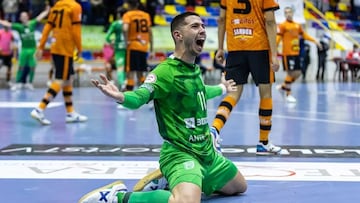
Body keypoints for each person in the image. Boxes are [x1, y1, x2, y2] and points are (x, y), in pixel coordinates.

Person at [78, 12, 247, 203]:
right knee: (186, 202)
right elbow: (140, 96)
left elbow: (198, 91)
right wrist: (121, 96)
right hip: (181, 153)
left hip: (207, 153)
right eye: (194, 26)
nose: (202, 30)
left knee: (239, 187)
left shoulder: (193, 68)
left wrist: (221, 88)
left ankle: (170, 182)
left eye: (202, 26)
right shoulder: (165, 71)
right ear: (178, 35)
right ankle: (117, 196)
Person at [210, 0, 281, 155]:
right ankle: (263, 142)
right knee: (266, 93)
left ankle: (214, 129)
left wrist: (220, 48)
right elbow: (270, 20)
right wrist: (274, 55)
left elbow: (221, 19)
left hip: (235, 48)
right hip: (259, 48)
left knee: (233, 93)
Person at [30, 0, 87, 125]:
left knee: (68, 79)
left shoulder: (56, 6)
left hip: (55, 46)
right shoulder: (75, 6)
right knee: (61, 79)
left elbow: (47, 27)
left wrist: (41, 47)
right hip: (65, 48)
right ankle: (40, 108)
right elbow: (76, 31)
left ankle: (70, 112)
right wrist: (80, 48)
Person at [276, 6, 321, 103]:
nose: (288, 14)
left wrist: (315, 41)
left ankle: (283, 86)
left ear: (292, 13)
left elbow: (304, 35)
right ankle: (288, 94)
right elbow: (278, 39)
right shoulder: (283, 25)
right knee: (290, 73)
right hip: (287, 54)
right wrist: (273, 48)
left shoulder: (297, 25)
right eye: (286, 12)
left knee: (299, 73)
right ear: (284, 14)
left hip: (296, 53)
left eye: (289, 12)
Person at [0, 7, 50, 91]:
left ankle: (29, 83)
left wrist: (47, 11)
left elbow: (39, 17)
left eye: (25, 16)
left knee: (32, 66)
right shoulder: (19, 27)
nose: (23, 17)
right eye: (22, 16)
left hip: (32, 49)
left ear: (27, 17)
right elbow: (7, 24)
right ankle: (18, 83)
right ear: (20, 18)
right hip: (24, 49)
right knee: (21, 66)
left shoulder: (32, 23)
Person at [122, 0, 153, 91]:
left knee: (131, 70)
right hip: (144, 46)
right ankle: (146, 92)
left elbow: (125, 28)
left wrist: (126, 41)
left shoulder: (128, 15)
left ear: (128, 5)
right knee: (140, 70)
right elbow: (150, 32)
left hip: (133, 45)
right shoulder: (146, 15)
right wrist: (151, 48)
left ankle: (129, 91)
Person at [104, 7, 127, 89]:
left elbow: (107, 37)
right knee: (127, 68)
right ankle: (126, 83)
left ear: (118, 14)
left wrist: (112, 42)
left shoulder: (115, 24)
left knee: (120, 67)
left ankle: (122, 84)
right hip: (128, 48)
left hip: (119, 48)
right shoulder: (129, 23)